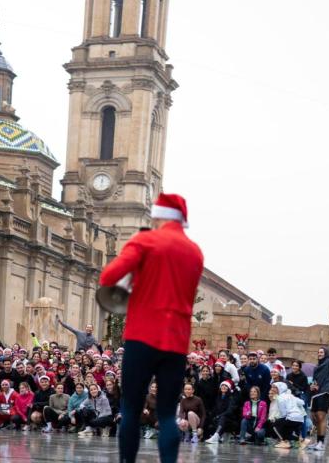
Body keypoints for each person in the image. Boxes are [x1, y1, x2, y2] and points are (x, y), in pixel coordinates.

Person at [99, 193, 204, 463]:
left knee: (131, 408)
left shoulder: (145, 240)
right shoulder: (195, 252)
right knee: (168, 413)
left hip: (141, 336)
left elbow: (108, 276)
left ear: (158, 216)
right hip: (176, 342)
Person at [307, 334, 329, 452]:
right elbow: (315, 380)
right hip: (316, 394)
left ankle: (321, 442)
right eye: (318, 353)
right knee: (314, 417)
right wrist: (312, 386)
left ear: (326, 353)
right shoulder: (317, 367)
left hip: (325, 392)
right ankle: (318, 441)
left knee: (321, 416)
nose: (319, 354)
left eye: (321, 352)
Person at [272, 382, 306, 448]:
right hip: (300, 418)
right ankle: (301, 440)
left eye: (274, 387)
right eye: (272, 387)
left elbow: (283, 414)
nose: (272, 389)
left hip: (291, 418)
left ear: (280, 388)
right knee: (286, 433)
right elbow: (302, 402)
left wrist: (278, 420)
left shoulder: (280, 398)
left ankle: (284, 442)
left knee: (275, 425)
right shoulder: (290, 395)